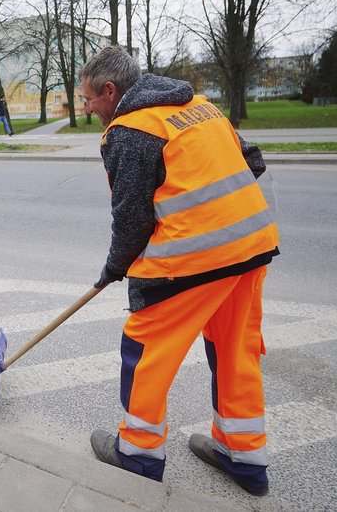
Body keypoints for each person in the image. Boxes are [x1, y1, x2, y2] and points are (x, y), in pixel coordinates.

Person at [79, 46, 279, 496]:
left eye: (89, 99)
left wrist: (114, 269)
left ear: (110, 92)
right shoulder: (199, 105)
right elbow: (253, 161)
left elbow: (131, 218)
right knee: (235, 350)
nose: (87, 108)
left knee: (145, 349)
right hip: (252, 246)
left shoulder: (130, 129)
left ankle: (138, 455)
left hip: (192, 260)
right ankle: (244, 457)